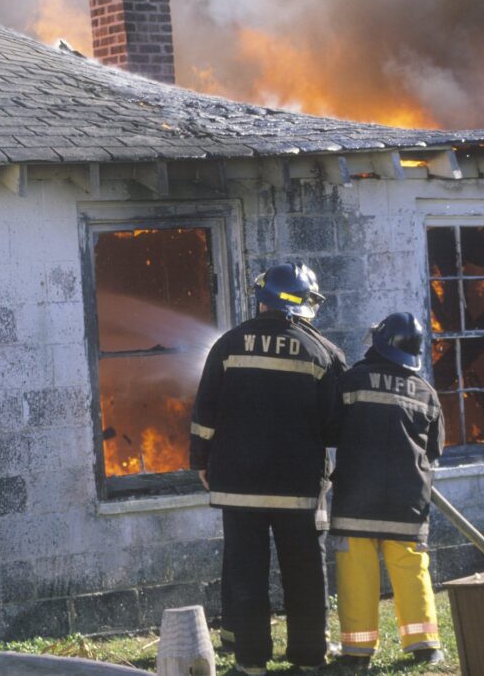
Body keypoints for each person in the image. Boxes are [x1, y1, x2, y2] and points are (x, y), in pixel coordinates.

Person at [190, 262, 345, 675]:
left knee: (245, 572)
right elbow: (335, 427)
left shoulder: (227, 344)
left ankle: (250, 662)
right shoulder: (322, 353)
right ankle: (309, 659)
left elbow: (205, 412)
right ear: (302, 303)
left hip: (238, 486)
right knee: (305, 574)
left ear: (262, 298)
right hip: (299, 488)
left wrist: (200, 462)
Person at [331, 312, 445, 669]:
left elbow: (329, 429)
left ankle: (357, 653)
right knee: (411, 569)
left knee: (356, 571)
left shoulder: (351, 382)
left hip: (355, 499)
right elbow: (435, 449)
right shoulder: (426, 392)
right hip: (407, 502)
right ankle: (426, 646)